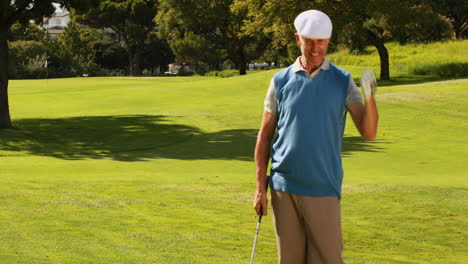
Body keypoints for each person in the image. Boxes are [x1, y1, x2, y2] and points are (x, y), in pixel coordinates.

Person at [253, 10, 379, 264]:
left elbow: (368, 132)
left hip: (323, 187)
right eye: (309, 40)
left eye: (321, 41)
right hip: (282, 188)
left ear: (328, 42)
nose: (315, 48)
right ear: (297, 38)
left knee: (327, 259)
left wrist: (370, 97)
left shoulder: (342, 81)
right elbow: (265, 137)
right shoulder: (280, 81)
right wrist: (259, 190)